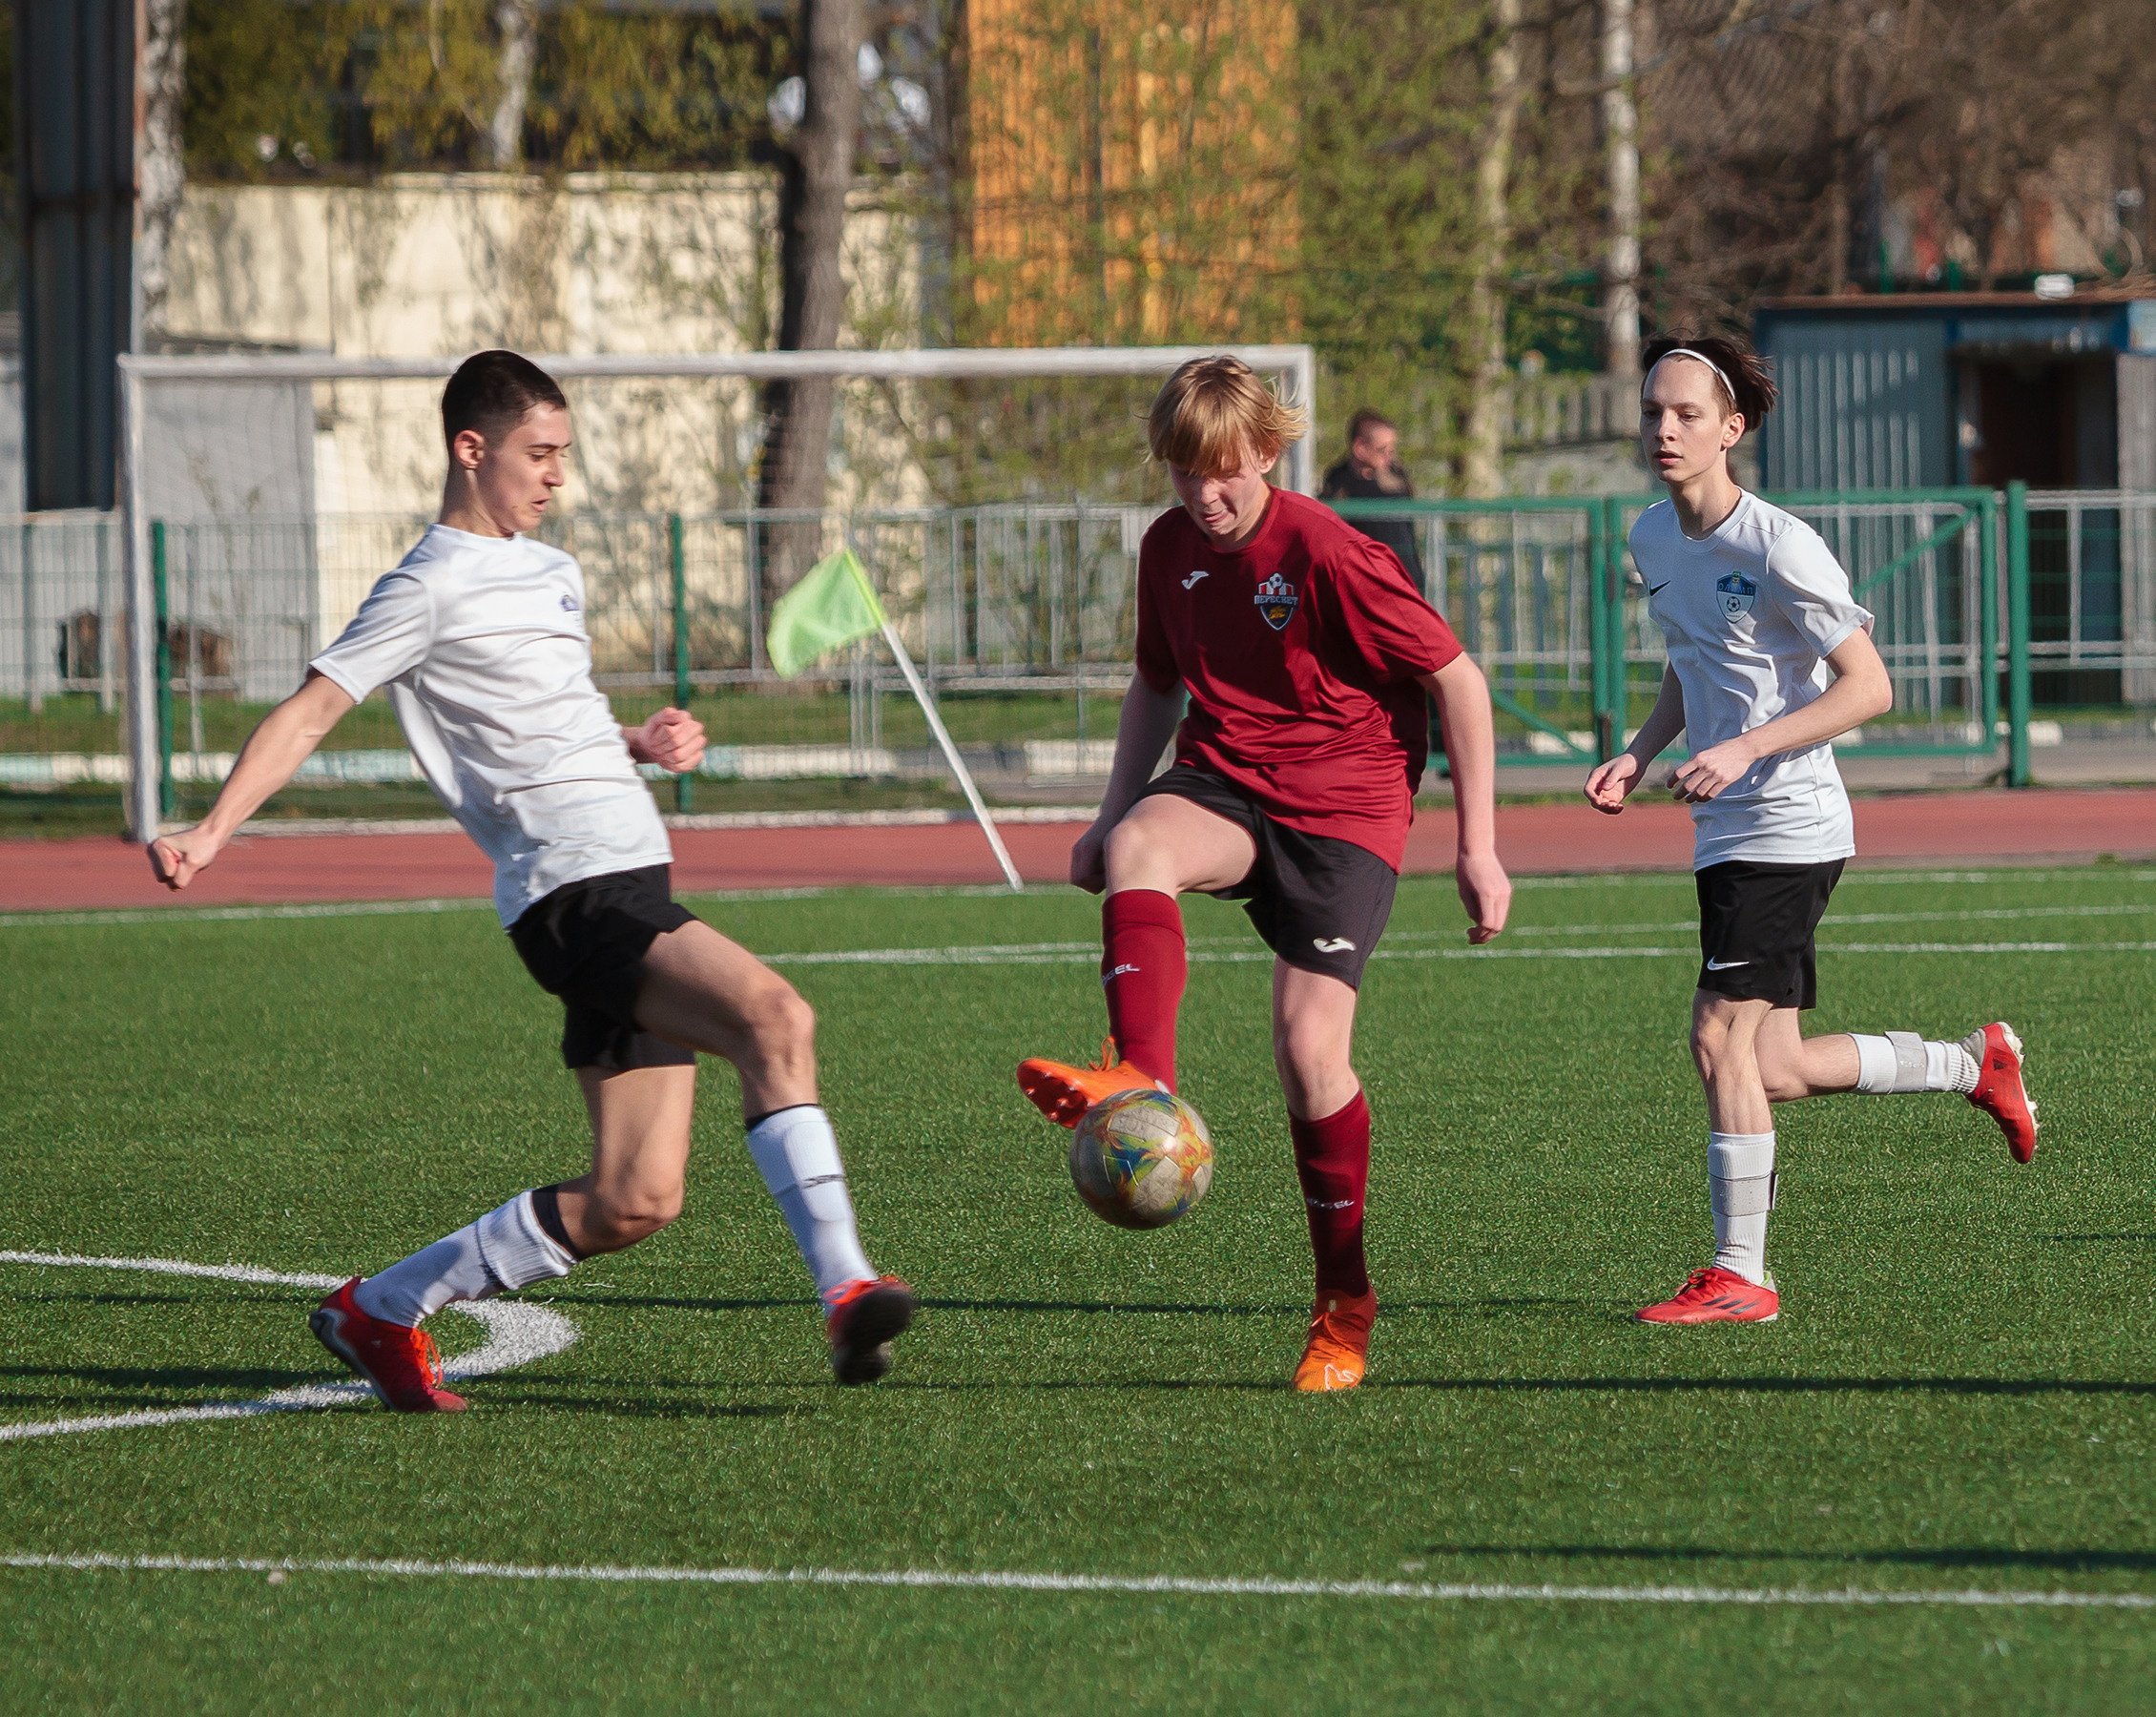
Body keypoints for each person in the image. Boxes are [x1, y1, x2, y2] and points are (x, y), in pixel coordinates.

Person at [149, 350, 914, 1409]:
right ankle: (846, 1291)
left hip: (622, 874)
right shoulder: (424, 585)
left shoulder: (552, 571)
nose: (558, 476)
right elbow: (309, 711)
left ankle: (381, 1308)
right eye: (539, 454)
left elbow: (544, 713)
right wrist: (213, 829)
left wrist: (637, 742)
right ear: (472, 450)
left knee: (632, 1199)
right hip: (574, 894)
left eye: (564, 455)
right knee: (775, 1018)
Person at [1016, 356, 1511, 1392]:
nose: (1206, 496)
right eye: (1185, 474)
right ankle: (1142, 1078)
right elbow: (1156, 685)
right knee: (1136, 851)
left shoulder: (1328, 548)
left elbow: (1458, 680)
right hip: (1230, 781)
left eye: (1227, 472)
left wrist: (1477, 847)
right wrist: (1106, 818)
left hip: (1346, 810)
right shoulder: (1167, 551)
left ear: (1270, 454)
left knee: (1307, 1056)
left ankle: (1343, 1305)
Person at [1584, 334, 2038, 1326]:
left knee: (1715, 1041)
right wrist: (1643, 749)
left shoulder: (1778, 543)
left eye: (1687, 414)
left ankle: (1740, 1271)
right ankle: (1973, 1063)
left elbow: (1869, 685)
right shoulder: (1652, 537)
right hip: (1724, 829)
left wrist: (1746, 751)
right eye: (1654, 411)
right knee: (1773, 1066)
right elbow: (1692, 658)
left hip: (1787, 825)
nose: (1664, 428)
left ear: (1731, 430)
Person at [1319, 409, 1426, 590]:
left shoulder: (1397, 475)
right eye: (1382, 450)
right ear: (1360, 448)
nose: (1390, 457)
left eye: (1392, 450)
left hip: (1407, 581)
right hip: (1366, 584)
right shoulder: (1340, 482)